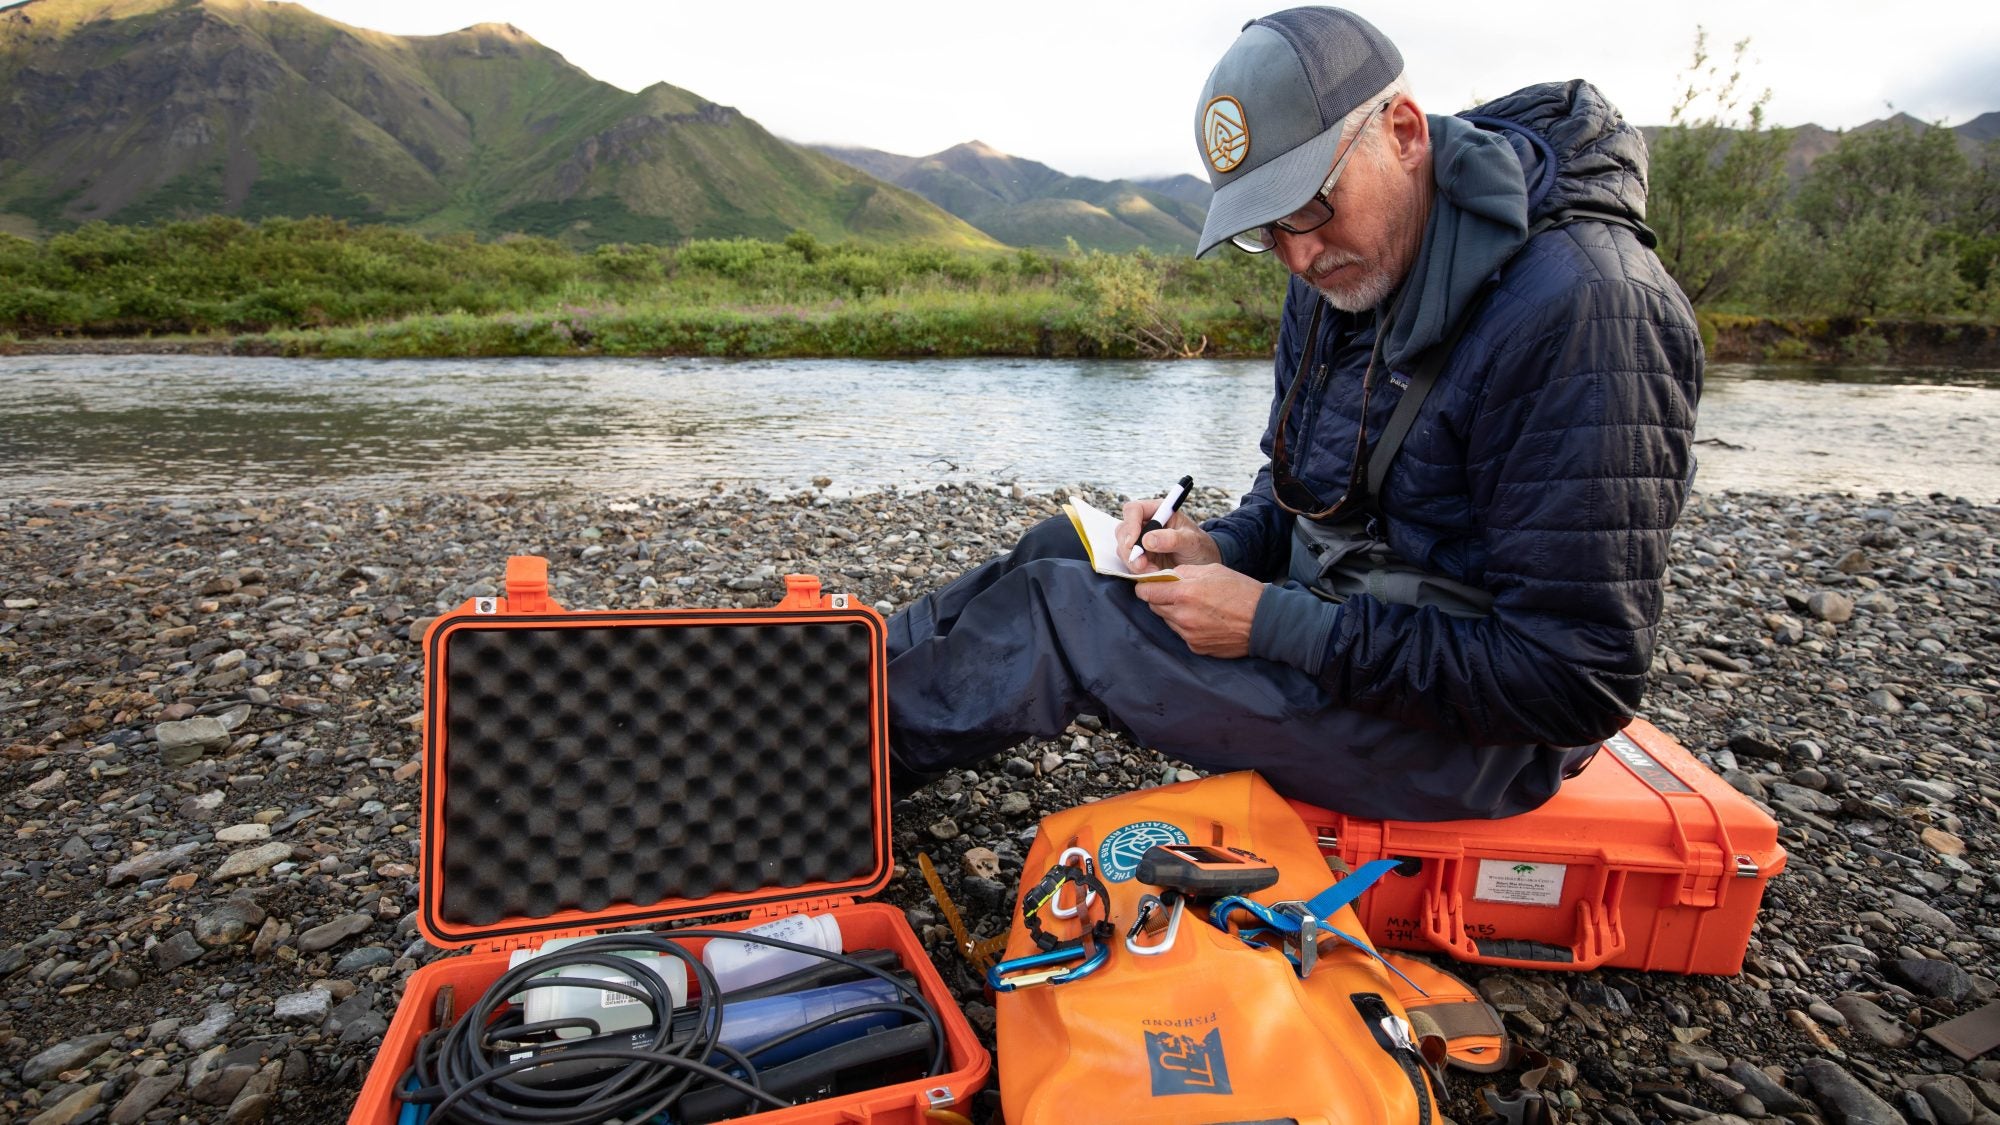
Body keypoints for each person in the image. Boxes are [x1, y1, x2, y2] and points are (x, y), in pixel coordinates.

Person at [885, 6, 1702, 821]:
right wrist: (1219, 547)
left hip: (1473, 740)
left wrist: (1273, 623)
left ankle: (817, 790)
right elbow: (1302, 489)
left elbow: (1575, 681)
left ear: (1406, 132)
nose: (1298, 254)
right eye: (1265, 228)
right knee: (1065, 546)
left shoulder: (1590, 313)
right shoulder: (1342, 267)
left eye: (1311, 204)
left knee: (1061, 616)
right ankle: (833, 681)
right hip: (1348, 624)